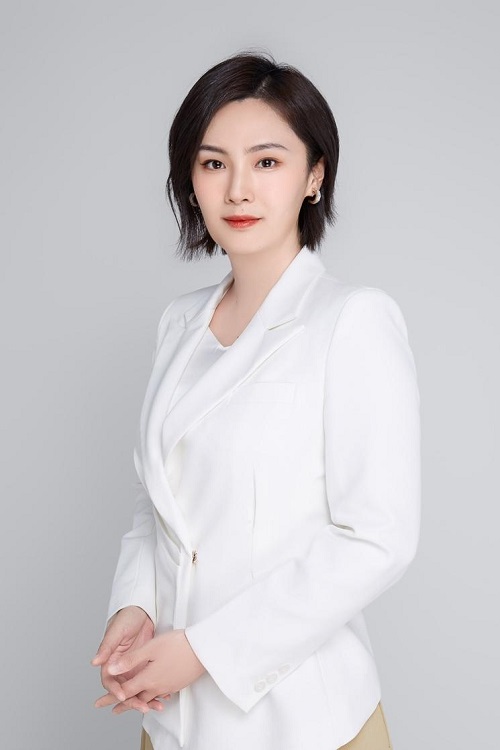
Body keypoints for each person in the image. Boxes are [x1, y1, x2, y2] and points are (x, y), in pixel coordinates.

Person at [92, 51, 421, 750]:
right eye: (214, 163)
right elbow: (160, 505)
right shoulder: (179, 323)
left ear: (314, 175)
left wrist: (205, 652)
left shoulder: (353, 320)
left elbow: (377, 538)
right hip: (174, 719)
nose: (238, 189)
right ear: (190, 180)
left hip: (305, 723)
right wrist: (135, 605)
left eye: (267, 161)